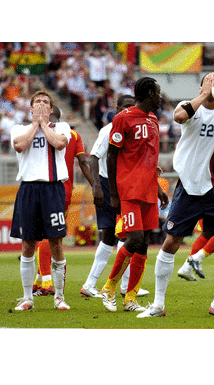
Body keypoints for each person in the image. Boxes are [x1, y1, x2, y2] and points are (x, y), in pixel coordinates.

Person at [138, 72, 214, 319]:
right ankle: (158, 304)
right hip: (189, 186)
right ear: (199, 88)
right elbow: (179, 117)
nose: (211, 84)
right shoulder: (188, 106)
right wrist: (204, 95)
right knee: (171, 242)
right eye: (207, 81)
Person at [101, 77, 169, 313]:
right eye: (158, 92)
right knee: (134, 238)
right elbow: (111, 156)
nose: (160, 96)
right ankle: (109, 288)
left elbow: (148, 158)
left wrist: (158, 188)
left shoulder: (153, 119)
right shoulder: (123, 118)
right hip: (128, 189)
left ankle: (130, 299)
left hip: (148, 190)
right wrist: (113, 194)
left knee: (144, 244)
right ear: (149, 93)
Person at [81, 95, 148, 299]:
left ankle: (105, 284)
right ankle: (97, 284)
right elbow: (93, 158)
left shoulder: (133, 130)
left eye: (131, 107)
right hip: (107, 185)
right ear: (117, 109)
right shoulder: (108, 130)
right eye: (124, 107)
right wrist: (97, 187)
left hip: (124, 186)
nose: (128, 110)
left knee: (120, 235)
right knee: (118, 235)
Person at [10, 91, 71, 311]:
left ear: (52, 109)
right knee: (28, 244)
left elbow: (59, 143)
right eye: (37, 102)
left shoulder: (61, 127)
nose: (41, 104)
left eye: (46, 102)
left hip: (52, 188)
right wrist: (35, 124)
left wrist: (43, 123)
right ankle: (28, 298)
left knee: (56, 243)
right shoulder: (19, 129)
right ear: (30, 108)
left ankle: (59, 297)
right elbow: (20, 145)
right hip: (28, 188)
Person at [33, 107, 93, 296]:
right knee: (53, 234)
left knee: (45, 234)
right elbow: (83, 162)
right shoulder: (73, 135)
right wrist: (95, 185)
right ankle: (39, 280)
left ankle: (46, 282)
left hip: (44, 188)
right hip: (65, 191)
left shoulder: (38, 133)